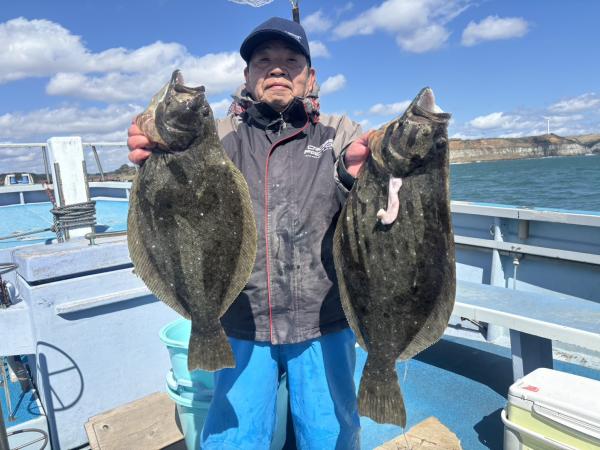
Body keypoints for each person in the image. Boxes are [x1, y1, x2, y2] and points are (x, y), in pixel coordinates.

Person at [128, 17, 371, 449]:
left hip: (325, 318)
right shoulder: (216, 136)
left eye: (291, 60)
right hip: (241, 318)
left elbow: (371, 202)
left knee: (330, 434)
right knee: (234, 437)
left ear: (311, 76)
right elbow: (168, 202)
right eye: (264, 61)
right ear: (247, 76)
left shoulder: (341, 134)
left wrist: (359, 176)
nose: (277, 68)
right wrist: (151, 148)